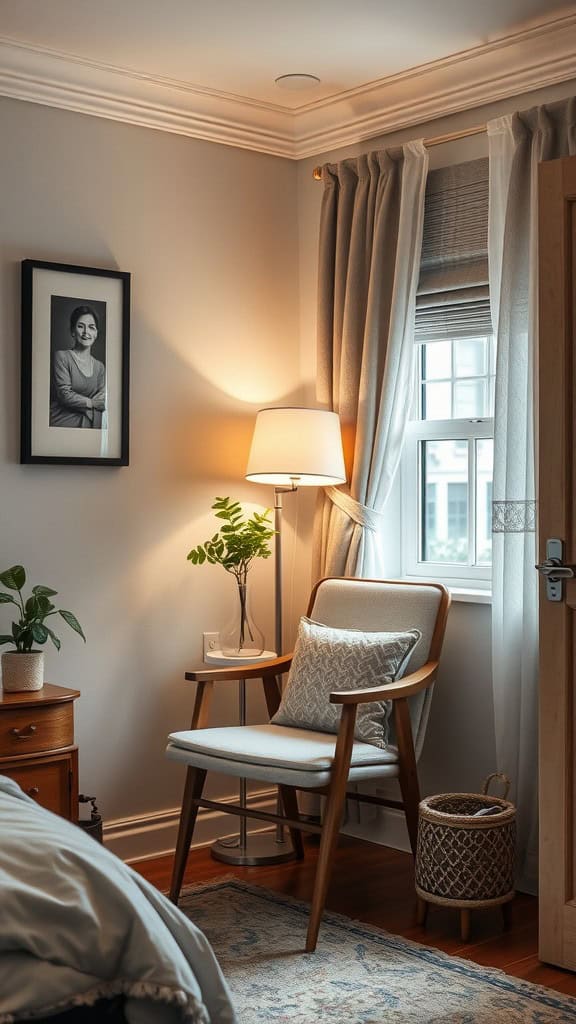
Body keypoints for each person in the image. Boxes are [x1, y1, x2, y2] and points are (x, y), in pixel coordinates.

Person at [50, 305, 106, 428]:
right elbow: (64, 395)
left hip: (90, 422)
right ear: (72, 331)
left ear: (96, 333)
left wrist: (91, 405)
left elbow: (102, 401)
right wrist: (91, 403)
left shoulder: (100, 367)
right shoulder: (61, 357)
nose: (86, 332)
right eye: (81, 326)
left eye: (91, 327)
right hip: (62, 422)